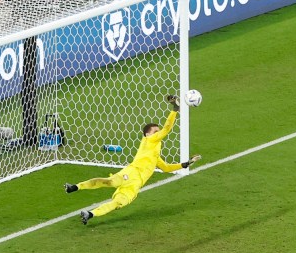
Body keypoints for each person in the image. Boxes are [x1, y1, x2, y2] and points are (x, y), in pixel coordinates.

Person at [66, 95, 201, 225]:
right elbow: (166, 129)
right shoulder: (149, 140)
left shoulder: (154, 154)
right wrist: (175, 110)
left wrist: (185, 164)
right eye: (155, 131)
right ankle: (75, 187)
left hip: (136, 185)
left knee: (117, 203)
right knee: (109, 182)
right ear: (148, 134)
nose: (158, 133)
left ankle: (90, 214)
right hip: (131, 173)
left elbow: (165, 167)